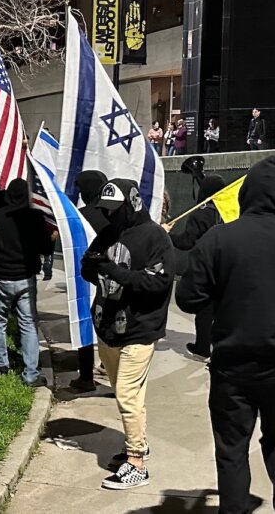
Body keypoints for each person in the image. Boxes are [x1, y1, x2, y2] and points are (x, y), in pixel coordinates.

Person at [176, 157, 275, 514]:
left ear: (245, 195)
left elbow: (187, 298)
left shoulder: (219, 238)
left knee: (231, 448)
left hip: (233, 367)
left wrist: (221, 289)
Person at [81, 178, 177, 490]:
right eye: (105, 209)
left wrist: (117, 272)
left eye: (115, 209)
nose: (109, 215)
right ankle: (134, 443)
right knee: (127, 393)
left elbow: (159, 283)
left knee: (126, 393)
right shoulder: (108, 233)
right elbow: (91, 270)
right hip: (107, 326)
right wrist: (91, 265)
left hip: (140, 328)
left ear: (131, 204)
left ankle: (137, 462)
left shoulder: (155, 237)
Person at [0, 178, 52, 388]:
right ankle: (31, 373)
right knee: (28, 324)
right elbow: (46, 249)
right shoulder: (35, 216)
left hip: (3, 276)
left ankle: (0, 365)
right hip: (26, 277)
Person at [169, 174, 226, 361]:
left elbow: (187, 242)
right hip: (227, 265)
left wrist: (167, 235)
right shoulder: (230, 211)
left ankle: (202, 347)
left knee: (205, 309)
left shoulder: (200, 213)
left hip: (206, 267)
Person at [70, 170, 110, 393]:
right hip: (113, 278)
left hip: (86, 278)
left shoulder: (79, 215)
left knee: (85, 323)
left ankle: (86, 377)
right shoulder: (114, 213)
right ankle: (114, 374)